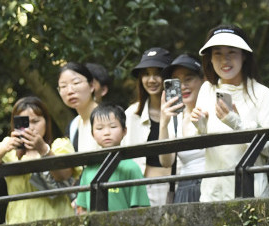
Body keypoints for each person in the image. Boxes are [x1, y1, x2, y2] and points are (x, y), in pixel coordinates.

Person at [188, 25, 269, 201]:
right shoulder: (206, 90)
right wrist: (200, 126)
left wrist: (236, 122)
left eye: (231, 52)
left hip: (251, 194)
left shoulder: (262, 93)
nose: (224, 60)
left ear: (244, 55)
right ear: (210, 59)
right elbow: (198, 144)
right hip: (212, 194)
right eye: (217, 53)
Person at [0, 96, 76, 224]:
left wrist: (43, 149)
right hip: (19, 218)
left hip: (56, 217)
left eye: (36, 121)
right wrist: (5, 147)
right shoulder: (9, 151)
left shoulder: (58, 146)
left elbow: (64, 174)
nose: (31, 128)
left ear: (46, 122)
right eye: (25, 123)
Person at [123, 47, 175, 206]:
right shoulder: (131, 114)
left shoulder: (183, 111)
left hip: (178, 186)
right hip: (143, 189)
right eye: (146, 74)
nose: (151, 80)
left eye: (157, 73)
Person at [75, 105, 151, 212]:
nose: (106, 133)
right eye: (99, 128)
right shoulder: (89, 169)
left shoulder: (131, 168)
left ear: (124, 131)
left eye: (113, 127)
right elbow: (82, 208)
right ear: (92, 133)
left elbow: (140, 208)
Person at [157, 54, 209, 203]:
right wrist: (163, 124)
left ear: (203, 80)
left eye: (188, 79)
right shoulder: (175, 118)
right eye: (177, 82)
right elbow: (166, 162)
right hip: (185, 188)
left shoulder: (212, 109)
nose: (183, 86)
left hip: (213, 183)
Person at [59, 63, 103, 153]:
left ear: (91, 86)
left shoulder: (108, 117)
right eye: (63, 86)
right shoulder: (74, 125)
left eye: (76, 83)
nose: (70, 91)